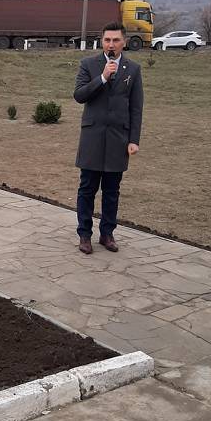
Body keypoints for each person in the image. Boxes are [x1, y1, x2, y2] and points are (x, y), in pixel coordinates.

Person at [74, 22, 144, 254]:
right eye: (107, 40)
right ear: (101, 41)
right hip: (92, 136)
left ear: (124, 42)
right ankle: (84, 234)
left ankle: (107, 234)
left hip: (118, 139)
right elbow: (79, 95)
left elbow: (136, 108)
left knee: (112, 191)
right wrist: (103, 78)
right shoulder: (88, 65)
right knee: (87, 189)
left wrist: (133, 139)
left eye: (115, 40)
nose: (111, 45)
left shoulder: (133, 70)